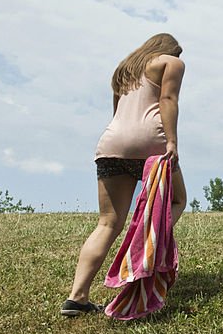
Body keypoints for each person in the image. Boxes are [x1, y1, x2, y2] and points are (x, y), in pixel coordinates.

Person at [62, 33, 187, 316]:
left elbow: (117, 111)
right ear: (172, 51)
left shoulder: (124, 68)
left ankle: (76, 297)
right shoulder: (171, 62)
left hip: (111, 143)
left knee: (107, 223)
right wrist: (172, 142)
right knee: (178, 200)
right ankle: (143, 244)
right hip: (150, 144)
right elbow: (167, 98)